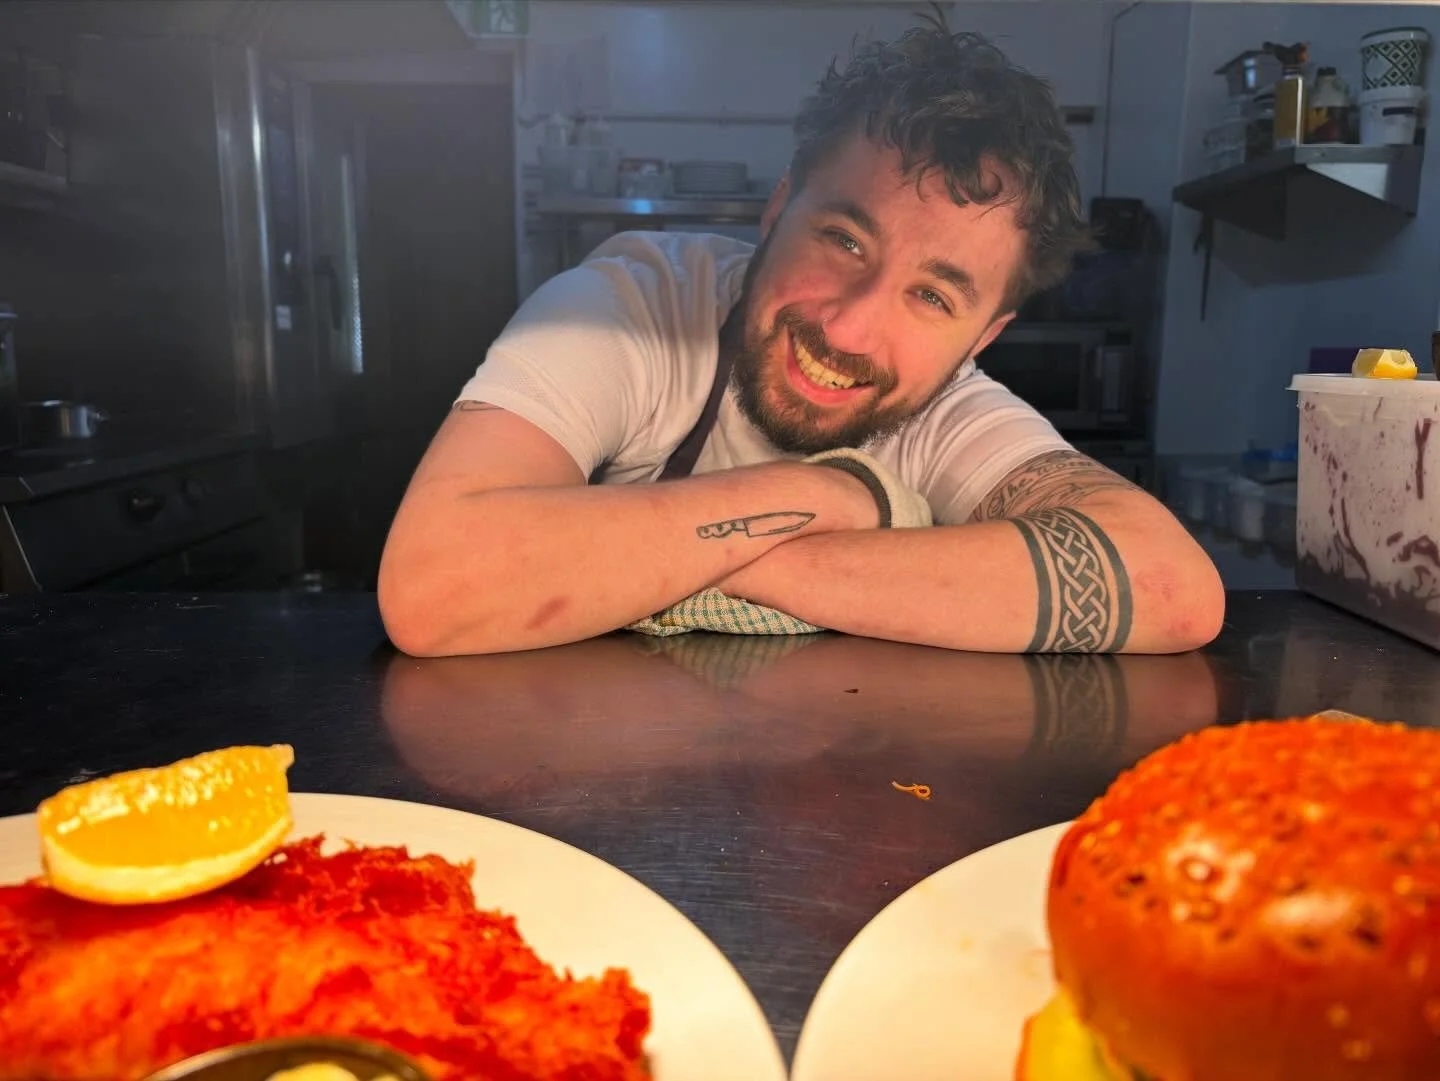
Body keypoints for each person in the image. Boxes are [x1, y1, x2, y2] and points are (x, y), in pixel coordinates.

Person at [377, 24, 1224, 658]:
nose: (849, 326)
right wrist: (829, 499)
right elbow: (434, 584)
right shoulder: (633, 306)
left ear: (983, 338)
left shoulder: (949, 406)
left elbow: (1169, 588)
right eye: (845, 241)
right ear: (778, 211)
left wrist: (675, 564)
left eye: (932, 295)